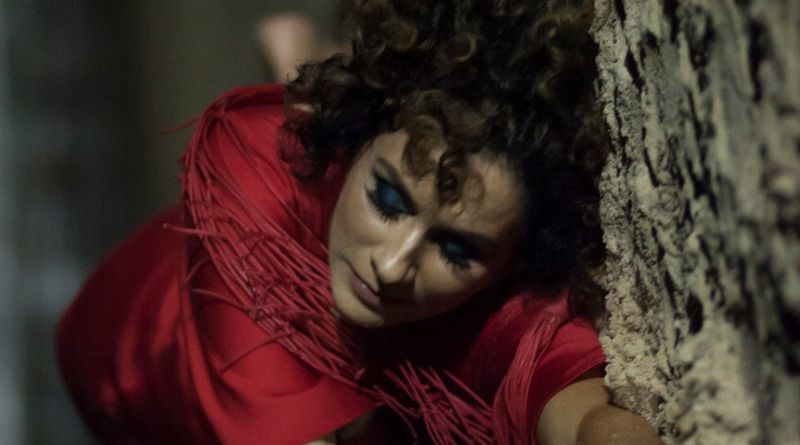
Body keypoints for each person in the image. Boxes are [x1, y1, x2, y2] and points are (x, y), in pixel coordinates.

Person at [57, 0, 664, 444]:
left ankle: (306, 66)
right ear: (363, 133)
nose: (392, 265)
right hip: (125, 352)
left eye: (456, 249)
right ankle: (304, 68)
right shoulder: (256, 162)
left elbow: (579, 410)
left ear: (512, 262)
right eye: (389, 200)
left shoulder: (507, 295)